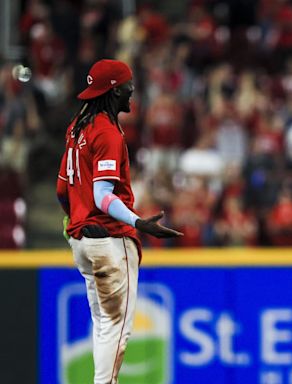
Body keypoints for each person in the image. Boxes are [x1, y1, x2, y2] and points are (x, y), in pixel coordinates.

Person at [55, 59, 183, 384]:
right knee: (117, 328)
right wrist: (139, 223)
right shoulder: (107, 132)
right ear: (113, 91)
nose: (132, 91)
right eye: (127, 86)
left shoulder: (77, 127)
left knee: (102, 323)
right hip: (110, 240)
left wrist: (74, 220)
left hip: (82, 240)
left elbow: (61, 188)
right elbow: (102, 196)